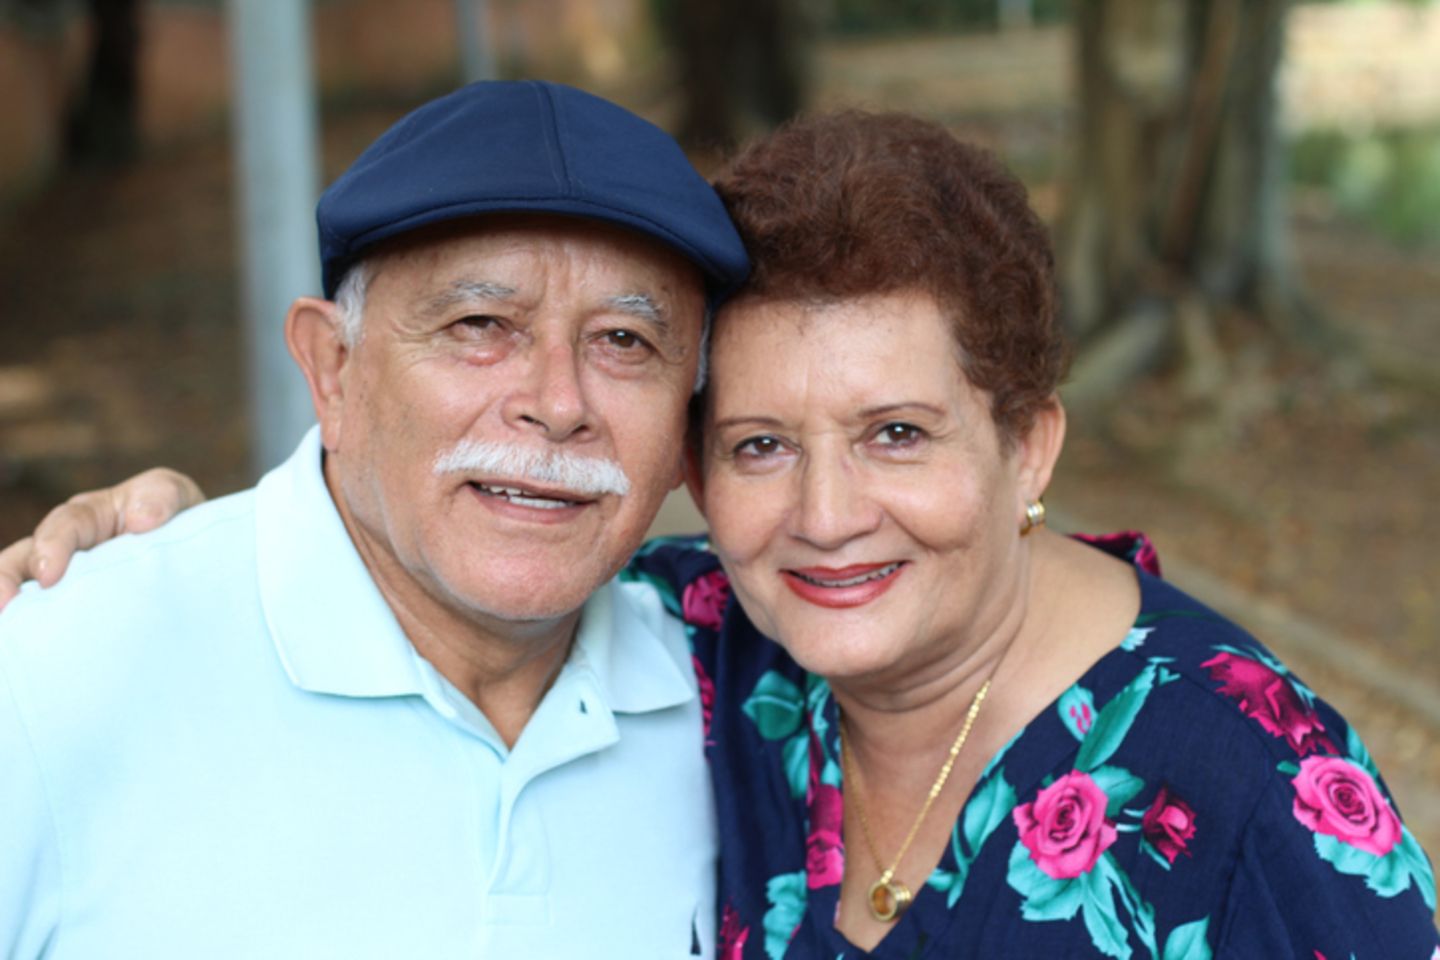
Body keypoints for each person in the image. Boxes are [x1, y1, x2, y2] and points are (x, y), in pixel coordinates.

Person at [6, 111, 1438, 958]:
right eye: (759, 445)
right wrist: (152, 555)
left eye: (899, 434)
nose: (825, 517)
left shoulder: (1257, 788)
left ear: (1030, 445)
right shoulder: (711, 642)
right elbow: (419, 532)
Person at [0, 79, 749, 957]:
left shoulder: (728, 701)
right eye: (481, 324)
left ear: (687, 426)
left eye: (626, 342)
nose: (557, 404)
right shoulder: (58, 678)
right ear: (333, 371)